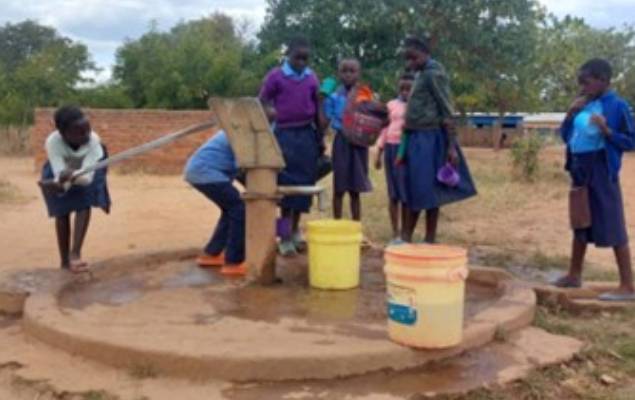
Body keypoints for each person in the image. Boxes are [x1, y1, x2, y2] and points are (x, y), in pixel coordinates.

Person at [553, 58, 635, 301]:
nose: (582, 86)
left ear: (603, 80)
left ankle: (628, 286)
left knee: (612, 221)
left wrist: (607, 131)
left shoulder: (617, 106)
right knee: (580, 219)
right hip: (580, 167)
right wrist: (571, 113)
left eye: (586, 81)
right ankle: (574, 275)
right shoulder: (583, 104)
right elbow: (566, 136)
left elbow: (631, 141)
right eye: (580, 82)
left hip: (601, 168)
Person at [401, 35, 477, 243]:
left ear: (426, 54)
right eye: (407, 59)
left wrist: (451, 146)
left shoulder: (434, 74)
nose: (410, 63)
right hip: (416, 137)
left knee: (423, 188)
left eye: (414, 58)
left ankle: (412, 237)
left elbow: (447, 109)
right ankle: (423, 238)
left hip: (430, 139)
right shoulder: (421, 74)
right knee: (423, 188)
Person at [259, 36, 324, 256]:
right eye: (298, 58)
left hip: (306, 136)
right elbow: (263, 100)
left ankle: (295, 230)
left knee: (303, 189)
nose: (302, 63)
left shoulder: (311, 78)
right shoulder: (275, 76)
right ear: (288, 55)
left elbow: (317, 107)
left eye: (306, 59)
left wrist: (320, 138)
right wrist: (270, 111)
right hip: (283, 136)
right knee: (285, 190)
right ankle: (283, 236)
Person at [39, 106, 111, 273]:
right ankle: (64, 262)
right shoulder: (53, 142)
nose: (86, 135)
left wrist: (69, 176)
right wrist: (57, 184)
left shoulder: (94, 142)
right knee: (62, 212)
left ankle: (75, 254)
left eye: (88, 129)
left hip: (84, 173)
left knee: (83, 205)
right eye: (79, 132)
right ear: (62, 133)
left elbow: (86, 179)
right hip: (59, 172)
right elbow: (59, 173)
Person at [184, 130, 246, 276]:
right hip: (206, 172)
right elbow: (243, 167)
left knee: (231, 209)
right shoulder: (244, 133)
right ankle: (234, 262)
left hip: (199, 170)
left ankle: (211, 254)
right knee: (240, 210)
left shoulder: (236, 128)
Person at [323, 58, 372, 221]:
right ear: (339, 74)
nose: (348, 75)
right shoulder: (334, 96)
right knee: (339, 187)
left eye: (352, 71)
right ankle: (337, 224)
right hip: (342, 142)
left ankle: (356, 226)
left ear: (359, 73)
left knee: (355, 189)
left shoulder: (365, 94)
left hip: (359, 144)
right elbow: (326, 119)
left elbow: (372, 116)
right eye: (344, 71)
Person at [375, 73, 414, 244]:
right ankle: (395, 232)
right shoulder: (390, 105)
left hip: (406, 152)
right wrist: (379, 151)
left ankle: (406, 233)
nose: (405, 92)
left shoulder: (416, 107)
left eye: (409, 89)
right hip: (390, 150)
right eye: (402, 88)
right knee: (393, 194)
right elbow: (384, 129)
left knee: (405, 193)